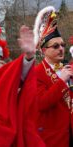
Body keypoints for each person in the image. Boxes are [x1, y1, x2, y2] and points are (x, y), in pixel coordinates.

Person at [34, 6, 73, 147]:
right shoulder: (36, 73)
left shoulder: (67, 69)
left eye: (62, 45)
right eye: (55, 46)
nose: (61, 49)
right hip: (52, 138)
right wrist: (62, 81)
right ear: (44, 50)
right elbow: (42, 103)